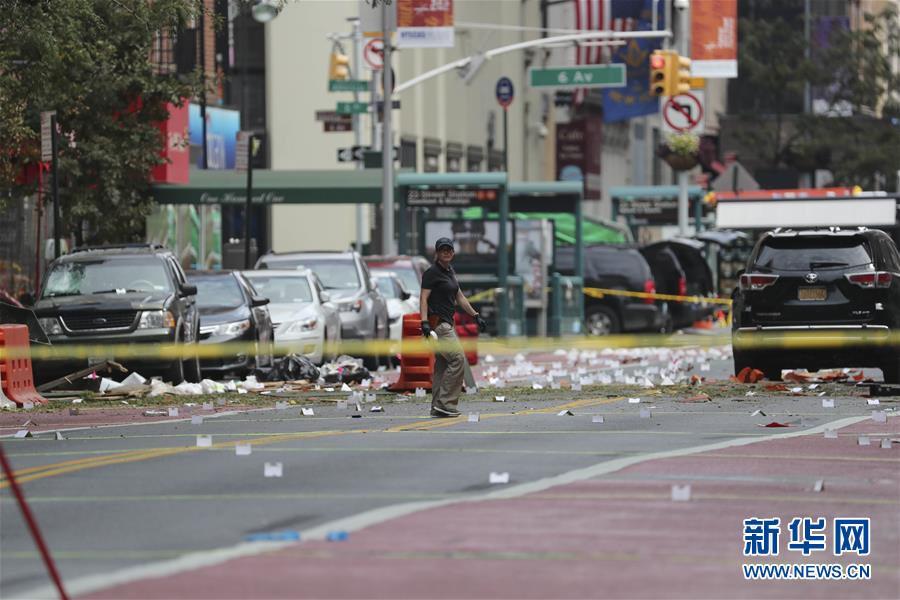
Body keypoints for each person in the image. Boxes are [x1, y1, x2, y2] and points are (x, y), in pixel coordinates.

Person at [420, 237, 487, 418]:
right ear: (437, 253)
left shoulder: (450, 272)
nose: (446, 252)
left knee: (442, 365)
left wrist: (475, 316)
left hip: (447, 323)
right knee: (457, 359)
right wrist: (424, 322)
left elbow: (460, 297)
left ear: (453, 253)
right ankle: (446, 404)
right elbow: (423, 298)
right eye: (443, 250)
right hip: (438, 325)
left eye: (449, 249)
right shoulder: (431, 273)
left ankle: (437, 407)